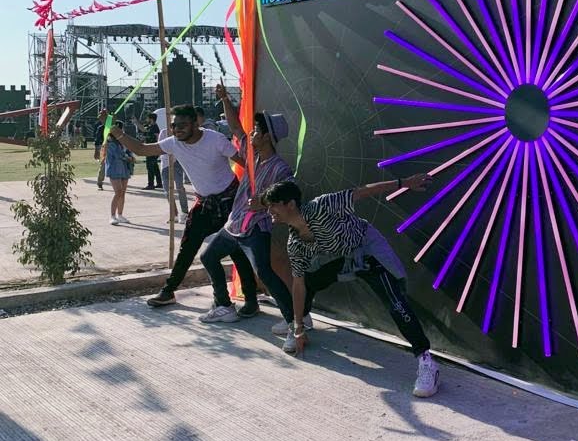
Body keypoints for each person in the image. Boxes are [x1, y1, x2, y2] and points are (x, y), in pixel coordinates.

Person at [262, 176, 441, 397]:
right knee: (308, 281)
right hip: (341, 257)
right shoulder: (295, 244)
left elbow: (362, 191)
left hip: (366, 250)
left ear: (290, 204)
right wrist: (298, 327)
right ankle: (301, 323)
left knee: (395, 302)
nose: (269, 211)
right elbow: (298, 285)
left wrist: (404, 183)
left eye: (273, 205)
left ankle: (426, 361)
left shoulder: (321, 205)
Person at [112, 104, 255, 307]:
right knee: (187, 248)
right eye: (173, 126)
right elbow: (141, 149)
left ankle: (251, 301)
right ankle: (168, 291)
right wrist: (115, 130)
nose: (177, 129)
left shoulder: (215, 139)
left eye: (182, 125)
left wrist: (255, 194)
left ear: (195, 124)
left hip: (230, 202)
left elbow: (245, 163)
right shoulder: (174, 143)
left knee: (236, 252)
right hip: (204, 204)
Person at [197, 88, 296, 328]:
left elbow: (290, 194)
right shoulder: (251, 154)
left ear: (267, 137)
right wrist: (224, 98)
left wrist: (265, 202)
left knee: (263, 272)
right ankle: (224, 306)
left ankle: (295, 320)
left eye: (257, 130)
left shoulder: (280, 168)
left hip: (256, 227)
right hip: (235, 224)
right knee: (208, 257)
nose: (252, 133)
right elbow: (236, 129)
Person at [104, 121, 133, 226]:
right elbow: (118, 155)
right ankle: (112, 216)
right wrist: (128, 157)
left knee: (123, 192)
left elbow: (129, 151)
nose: (121, 131)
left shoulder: (124, 142)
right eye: (119, 129)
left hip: (124, 168)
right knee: (118, 192)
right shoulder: (110, 143)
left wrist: (131, 156)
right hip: (114, 169)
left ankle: (120, 215)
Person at [142, 113, 162, 189]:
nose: (146, 120)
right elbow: (143, 130)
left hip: (152, 149)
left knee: (150, 166)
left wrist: (157, 149)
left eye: (147, 118)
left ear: (151, 119)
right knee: (155, 166)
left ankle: (151, 184)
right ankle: (159, 183)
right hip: (150, 149)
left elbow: (158, 138)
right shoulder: (150, 127)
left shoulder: (155, 127)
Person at [93, 108, 107, 190]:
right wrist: (96, 150)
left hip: (112, 147)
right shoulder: (100, 127)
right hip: (104, 148)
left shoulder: (112, 126)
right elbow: (97, 140)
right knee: (103, 165)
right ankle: (100, 182)